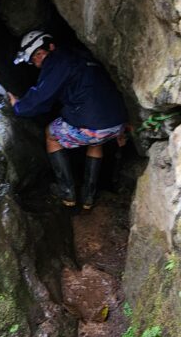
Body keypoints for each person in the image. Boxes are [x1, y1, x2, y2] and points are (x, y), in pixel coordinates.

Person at [8, 30, 127, 210]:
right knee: (95, 140)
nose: (36, 61)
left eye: (37, 55)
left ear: (50, 47)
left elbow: (41, 97)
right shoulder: (82, 55)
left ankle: (67, 193)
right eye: (33, 58)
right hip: (116, 123)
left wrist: (18, 106)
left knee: (51, 135)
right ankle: (89, 196)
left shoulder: (57, 62)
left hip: (94, 125)